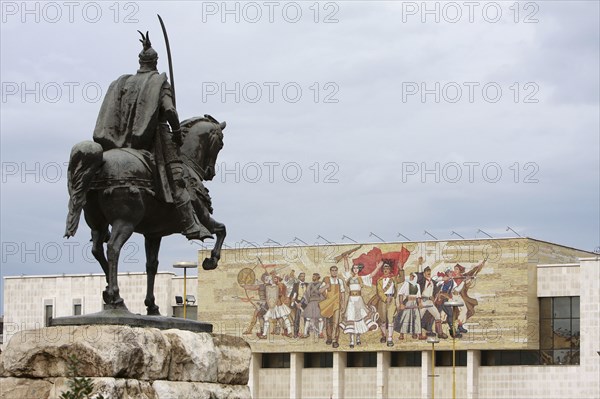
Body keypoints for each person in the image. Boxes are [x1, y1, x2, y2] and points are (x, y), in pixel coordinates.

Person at [91, 31, 204, 240]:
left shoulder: (122, 83)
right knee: (178, 179)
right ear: (155, 62)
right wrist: (177, 133)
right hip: (155, 140)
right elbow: (169, 111)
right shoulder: (158, 82)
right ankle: (190, 224)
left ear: (140, 61)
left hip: (121, 141)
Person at [340, 257, 380, 348]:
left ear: (358, 269)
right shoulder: (349, 277)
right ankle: (351, 341)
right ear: (352, 269)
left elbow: (371, 275)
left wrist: (377, 268)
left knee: (360, 318)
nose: (355, 269)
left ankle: (358, 338)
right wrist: (345, 258)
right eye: (354, 268)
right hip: (351, 300)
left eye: (357, 268)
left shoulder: (361, 278)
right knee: (351, 317)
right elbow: (346, 268)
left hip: (359, 300)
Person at [319, 266, 346, 348]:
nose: (334, 272)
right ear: (330, 271)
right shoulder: (326, 280)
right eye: (332, 270)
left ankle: (335, 340)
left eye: (335, 270)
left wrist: (343, 304)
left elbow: (343, 293)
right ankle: (329, 338)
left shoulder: (340, 281)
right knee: (328, 322)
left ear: (337, 271)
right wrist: (326, 287)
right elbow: (320, 291)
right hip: (328, 304)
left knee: (336, 322)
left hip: (337, 304)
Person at [417, 266, 447, 339]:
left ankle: (440, 333)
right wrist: (419, 302)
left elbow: (438, 281)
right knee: (418, 318)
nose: (428, 273)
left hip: (430, 302)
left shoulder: (432, 282)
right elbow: (418, 292)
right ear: (424, 273)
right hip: (423, 301)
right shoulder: (422, 281)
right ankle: (419, 334)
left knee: (437, 315)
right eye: (427, 271)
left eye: (429, 271)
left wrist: (433, 297)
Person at [376, 262, 400, 346]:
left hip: (392, 300)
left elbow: (402, 279)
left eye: (387, 269)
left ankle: (390, 338)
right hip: (383, 300)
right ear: (383, 270)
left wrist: (401, 269)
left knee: (390, 319)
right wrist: (386, 299)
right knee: (383, 319)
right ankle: (384, 335)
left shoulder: (393, 279)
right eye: (384, 269)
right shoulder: (379, 280)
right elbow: (379, 291)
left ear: (390, 270)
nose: (386, 270)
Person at [397, 272, 422, 339]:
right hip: (408, 303)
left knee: (416, 318)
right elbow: (401, 294)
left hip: (415, 304)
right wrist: (401, 304)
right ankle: (401, 334)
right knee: (405, 317)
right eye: (411, 276)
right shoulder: (406, 284)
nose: (411, 277)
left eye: (413, 276)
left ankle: (415, 333)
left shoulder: (417, 285)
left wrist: (419, 303)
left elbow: (419, 296)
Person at [301, 273, 325, 339]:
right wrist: (305, 302)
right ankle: (305, 333)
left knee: (320, 318)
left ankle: (320, 333)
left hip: (318, 303)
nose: (313, 277)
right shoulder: (310, 284)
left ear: (318, 277)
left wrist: (322, 302)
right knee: (308, 318)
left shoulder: (321, 284)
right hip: (311, 303)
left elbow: (323, 293)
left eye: (314, 276)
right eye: (313, 276)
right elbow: (306, 293)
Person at [289, 272, 308, 338]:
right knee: (297, 318)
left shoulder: (307, 284)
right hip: (298, 303)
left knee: (306, 319)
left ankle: (306, 333)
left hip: (306, 303)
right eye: (302, 276)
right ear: (299, 277)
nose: (303, 277)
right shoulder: (296, 285)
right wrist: (292, 299)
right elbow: (292, 294)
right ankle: (296, 333)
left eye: (304, 276)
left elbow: (309, 295)